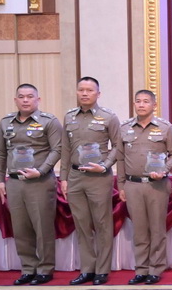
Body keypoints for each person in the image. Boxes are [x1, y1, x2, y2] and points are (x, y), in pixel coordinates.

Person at [0, 83, 63, 286]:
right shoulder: (6, 122)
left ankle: (45, 269)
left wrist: (41, 170)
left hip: (40, 181)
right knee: (21, 227)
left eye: (30, 96)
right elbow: (0, 153)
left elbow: (57, 149)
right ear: (15, 100)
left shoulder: (49, 121)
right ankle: (28, 268)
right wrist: (0, 180)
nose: (25, 100)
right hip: (15, 182)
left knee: (42, 227)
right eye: (21, 97)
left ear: (38, 99)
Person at [61, 77, 121, 286]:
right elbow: (66, 149)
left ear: (98, 94)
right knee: (82, 224)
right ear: (77, 92)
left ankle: (102, 270)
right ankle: (87, 269)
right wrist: (64, 178)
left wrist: (105, 165)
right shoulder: (69, 117)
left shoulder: (108, 117)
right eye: (81, 90)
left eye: (89, 90)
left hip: (99, 177)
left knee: (102, 223)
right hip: (76, 177)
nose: (85, 93)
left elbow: (117, 146)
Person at [117, 90, 172, 285]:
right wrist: (121, 185)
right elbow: (119, 158)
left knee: (157, 228)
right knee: (140, 230)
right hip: (133, 185)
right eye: (138, 101)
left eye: (146, 101)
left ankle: (156, 268)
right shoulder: (125, 128)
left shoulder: (165, 128)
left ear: (154, 105)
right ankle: (141, 269)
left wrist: (165, 169)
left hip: (157, 186)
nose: (141, 105)